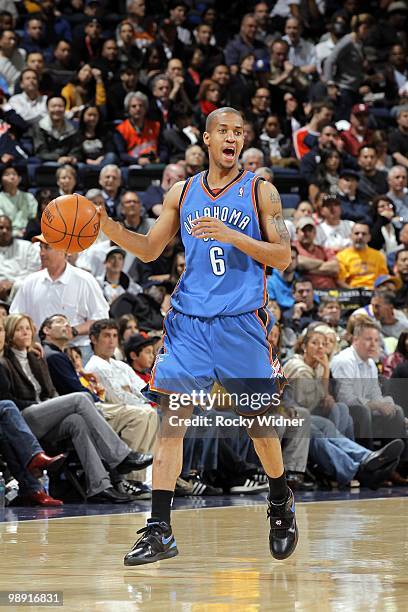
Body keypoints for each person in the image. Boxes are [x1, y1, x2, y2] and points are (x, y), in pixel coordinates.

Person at [96, 106, 296, 565]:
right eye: (223, 131)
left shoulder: (261, 191)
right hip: (188, 322)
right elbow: (149, 249)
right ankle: (159, 529)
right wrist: (105, 226)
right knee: (172, 422)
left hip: (241, 322)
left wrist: (233, 234)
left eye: (239, 132)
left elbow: (282, 256)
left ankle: (280, 501)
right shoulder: (182, 191)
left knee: (259, 426)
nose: (232, 138)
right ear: (207, 139)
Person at [10, 234, 109, 364]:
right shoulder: (30, 281)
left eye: (47, 247)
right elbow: (16, 316)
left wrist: (73, 331)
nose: (42, 253)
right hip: (39, 351)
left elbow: (101, 319)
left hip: (76, 351)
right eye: (41, 248)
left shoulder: (85, 280)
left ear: (65, 251)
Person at [0, 216, 40, 302]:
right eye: (1, 227)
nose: (4, 231)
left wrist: (13, 283)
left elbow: (35, 270)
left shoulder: (26, 246)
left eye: (8, 228)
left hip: (23, 292)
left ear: (12, 230)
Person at [336, 223, 388, 289]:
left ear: (369, 237)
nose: (360, 237)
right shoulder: (342, 256)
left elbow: (384, 279)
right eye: (357, 233)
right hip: (352, 292)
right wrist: (353, 291)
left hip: (375, 292)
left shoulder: (378, 256)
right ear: (350, 236)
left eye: (364, 234)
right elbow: (340, 281)